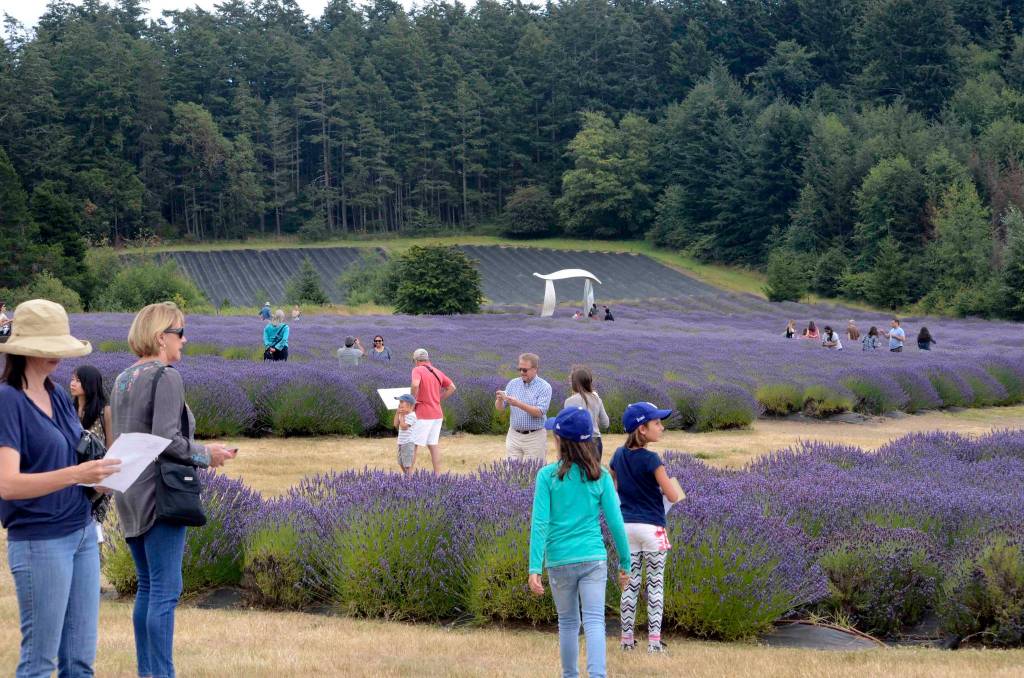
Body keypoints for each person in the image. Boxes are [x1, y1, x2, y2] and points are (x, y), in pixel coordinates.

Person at [111, 301, 237, 678]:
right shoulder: (165, 376)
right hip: (160, 492)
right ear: (161, 336)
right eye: (180, 332)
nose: (185, 340)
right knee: (166, 590)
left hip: (128, 490)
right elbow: (167, 439)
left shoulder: (122, 378)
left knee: (148, 588)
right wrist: (206, 454)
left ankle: (148, 672)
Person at [0, 299, 122, 677]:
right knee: (39, 662)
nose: (58, 356)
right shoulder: (7, 401)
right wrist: (76, 475)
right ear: (24, 350)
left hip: (82, 531)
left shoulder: (56, 395)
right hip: (41, 540)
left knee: (80, 662)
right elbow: (7, 484)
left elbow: (73, 459)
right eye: (50, 348)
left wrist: (102, 481)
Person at [528, 406, 631, 678]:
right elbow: (616, 523)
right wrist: (625, 562)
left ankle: (569, 675)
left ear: (560, 440)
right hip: (593, 558)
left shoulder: (546, 476)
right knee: (595, 621)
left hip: (559, 560)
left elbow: (540, 524)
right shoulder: (601, 477)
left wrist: (534, 567)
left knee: (568, 623)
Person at [610, 402, 685, 654]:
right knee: (655, 585)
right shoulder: (652, 459)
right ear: (642, 429)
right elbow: (673, 495)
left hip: (626, 527)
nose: (661, 427)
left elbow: (612, 484)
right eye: (657, 423)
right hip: (652, 528)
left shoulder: (618, 455)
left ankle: (626, 641)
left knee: (629, 585)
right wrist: (664, 488)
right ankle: (654, 642)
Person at [496, 353, 553, 463]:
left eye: (525, 370)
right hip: (514, 435)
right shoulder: (513, 383)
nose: (522, 372)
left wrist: (518, 404)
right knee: (511, 473)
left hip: (535, 437)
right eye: (520, 369)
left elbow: (540, 412)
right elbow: (500, 408)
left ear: (535, 369)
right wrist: (499, 400)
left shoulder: (544, 387)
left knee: (533, 473)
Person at [410, 349, 456, 474]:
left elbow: (415, 385)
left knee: (413, 445)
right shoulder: (437, 371)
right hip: (437, 414)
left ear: (416, 360)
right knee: (433, 445)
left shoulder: (417, 370)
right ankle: (437, 475)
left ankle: (407, 478)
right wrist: (438, 398)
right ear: (427, 359)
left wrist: (412, 401)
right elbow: (452, 387)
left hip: (424, 414)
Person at [563, 366, 610, 460]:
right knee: (594, 473)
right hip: (595, 442)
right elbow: (606, 423)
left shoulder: (569, 402)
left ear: (573, 383)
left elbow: (567, 426)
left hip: (576, 443)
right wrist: (594, 421)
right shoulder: (597, 399)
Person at [70, 365, 113, 449]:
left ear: (90, 383)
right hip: (75, 461)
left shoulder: (104, 411)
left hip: (97, 460)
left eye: (78, 381)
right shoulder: (70, 410)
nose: (72, 384)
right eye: (72, 379)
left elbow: (110, 445)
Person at [394, 393, 417, 477]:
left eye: (401, 402)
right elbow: (395, 424)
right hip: (401, 442)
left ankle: (409, 479)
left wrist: (402, 416)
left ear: (410, 405)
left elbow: (404, 427)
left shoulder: (412, 416)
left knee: (407, 464)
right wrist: (397, 414)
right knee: (400, 462)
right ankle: (407, 476)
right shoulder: (402, 414)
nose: (399, 404)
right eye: (399, 402)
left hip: (408, 442)